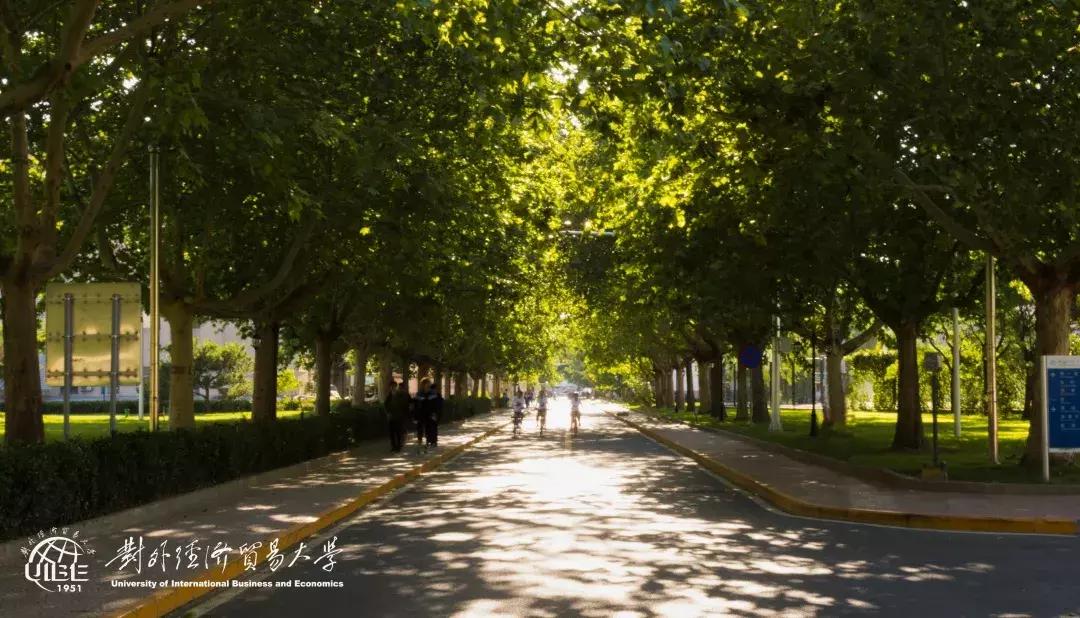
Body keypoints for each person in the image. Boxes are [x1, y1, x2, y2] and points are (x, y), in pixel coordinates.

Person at [384, 382, 411, 452]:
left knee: (398, 432)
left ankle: (398, 446)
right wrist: (388, 413)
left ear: (396, 387)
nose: (392, 388)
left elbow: (404, 404)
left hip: (399, 416)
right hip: (391, 417)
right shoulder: (389, 396)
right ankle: (393, 446)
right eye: (391, 387)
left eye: (394, 387)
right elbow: (386, 405)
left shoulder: (400, 395)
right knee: (392, 433)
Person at [421, 380, 443, 448]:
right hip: (428, 414)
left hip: (432, 414)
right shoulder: (430, 394)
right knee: (429, 428)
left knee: (432, 428)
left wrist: (436, 414)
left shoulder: (435, 395)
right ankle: (430, 441)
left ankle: (433, 441)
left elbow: (439, 405)